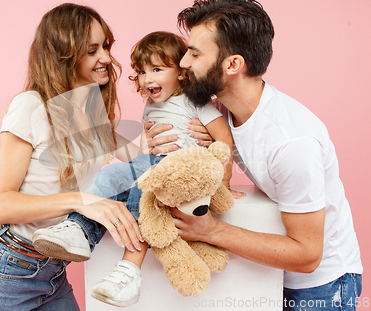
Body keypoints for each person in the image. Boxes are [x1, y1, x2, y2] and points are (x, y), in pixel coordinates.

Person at [147, 0, 363, 311]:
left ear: (233, 64)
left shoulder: (291, 142)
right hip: (269, 275)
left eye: (194, 53)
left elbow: (307, 254)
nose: (183, 63)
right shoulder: (217, 111)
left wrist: (211, 230)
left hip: (322, 286)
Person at [31, 31, 240, 307]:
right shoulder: (150, 105)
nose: (147, 78)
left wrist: (223, 184)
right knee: (109, 174)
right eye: (142, 72)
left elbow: (223, 139)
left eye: (157, 69)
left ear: (180, 72)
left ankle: (129, 269)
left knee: (142, 188)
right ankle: (77, 229)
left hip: (180, 173)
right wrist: (144, 148)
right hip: (152, 164)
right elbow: (146, 149)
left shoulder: (195, 102)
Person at [0, 3, 145, 311]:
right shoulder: (31, 106)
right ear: (64, 54)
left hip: (53, 275)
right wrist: (80, 200)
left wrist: (187, 131)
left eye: (106, 47)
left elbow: (144, 162)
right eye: (92, 50)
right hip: (7, 272)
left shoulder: (92, 114)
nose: (106, 59)